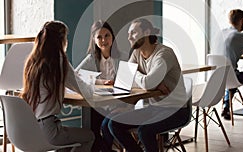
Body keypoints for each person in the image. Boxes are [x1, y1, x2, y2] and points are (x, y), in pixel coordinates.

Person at [108, 18, 190, 152]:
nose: (129, 37)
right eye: (129, 34)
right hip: (154, 108)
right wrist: (151, 82)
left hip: (176, 110)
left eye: (133, 33)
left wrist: (143, 78)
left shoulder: (164, 54)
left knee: (145, 131)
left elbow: (147, 83)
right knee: (114, 124)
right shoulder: (136, 53)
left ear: (146, 32)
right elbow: (124, 80)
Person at [21, 21, 95, 151]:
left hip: (31, 129)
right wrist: (92, 82)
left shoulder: (33, 60)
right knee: (89, 136)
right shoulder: (58, 60)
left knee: (67, 145)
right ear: (61, 39)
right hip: (49, 130)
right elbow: (85, 91)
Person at [76, 20, 127, 152]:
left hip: (118, 104)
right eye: (99, 37)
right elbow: (77, 75)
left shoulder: (123, 57)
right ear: (94, 39)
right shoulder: (91, 58)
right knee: (90, 130)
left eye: (107, 35)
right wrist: (100, 82)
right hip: (98, 105)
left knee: (106, 127)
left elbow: (129, 84)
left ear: (112, 37)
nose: (103, 40)